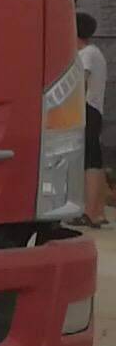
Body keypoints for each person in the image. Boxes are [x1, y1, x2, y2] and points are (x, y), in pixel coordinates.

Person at [77, 13, 107, 227]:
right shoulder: (95, 52)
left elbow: (80, 83)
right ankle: (99, 211)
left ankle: (91, 212)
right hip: (95, 110)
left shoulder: (86, 54)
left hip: (87, 109)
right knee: (95, 159)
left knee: (90, 162)